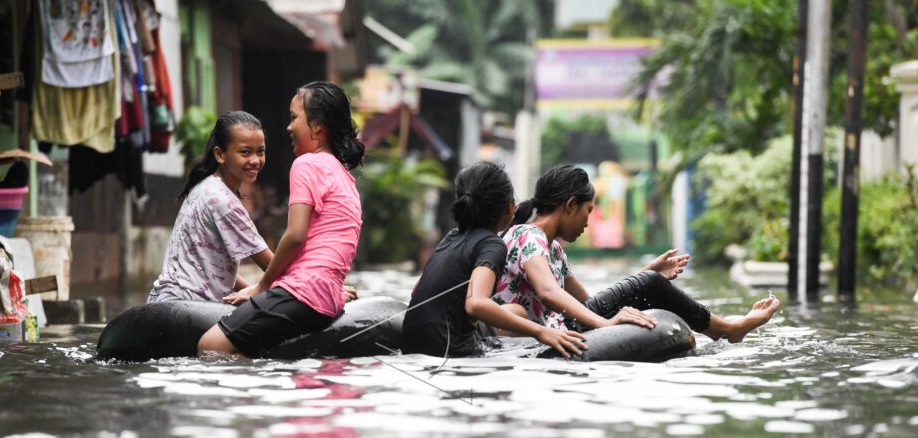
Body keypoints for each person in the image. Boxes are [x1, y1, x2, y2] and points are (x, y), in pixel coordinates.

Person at [492, 164, 782, 343]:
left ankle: (725, 326)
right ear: (569, 205)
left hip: (559, 324)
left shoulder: (552, 247)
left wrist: (645, 276)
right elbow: (548, 292)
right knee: (651, 286)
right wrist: (607, 324)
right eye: (587, 211)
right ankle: (729, 329)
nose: (587, 222)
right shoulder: (527, 235)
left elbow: (589, 302)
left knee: (650, 284)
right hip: (538, 331)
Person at [198, 81, 365, 358]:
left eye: (294, 118)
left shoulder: (306, 164)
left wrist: (263, 287)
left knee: (210, 345)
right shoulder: (344, 176)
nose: (288, 127)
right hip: (330, 296)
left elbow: (296, 235)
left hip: (305, 293)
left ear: (317, 127)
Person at [402, 162, 586, 359]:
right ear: (509, 207)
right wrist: (541, 332)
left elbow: (416, 291)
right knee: (518, 314)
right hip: (447, 349)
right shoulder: (492, 244)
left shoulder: (452, 236)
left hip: (409, 342)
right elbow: (476, 304)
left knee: (515, 311)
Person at [147, 111, 271, 303]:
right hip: (186, 306)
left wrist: (253, 292)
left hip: (164, 300)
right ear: (220, 154)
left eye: (260, 151)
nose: (255, 160)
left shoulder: (204, 187)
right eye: (245, 152)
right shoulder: (223, 201)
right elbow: (272, 266)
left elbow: (213, 267)